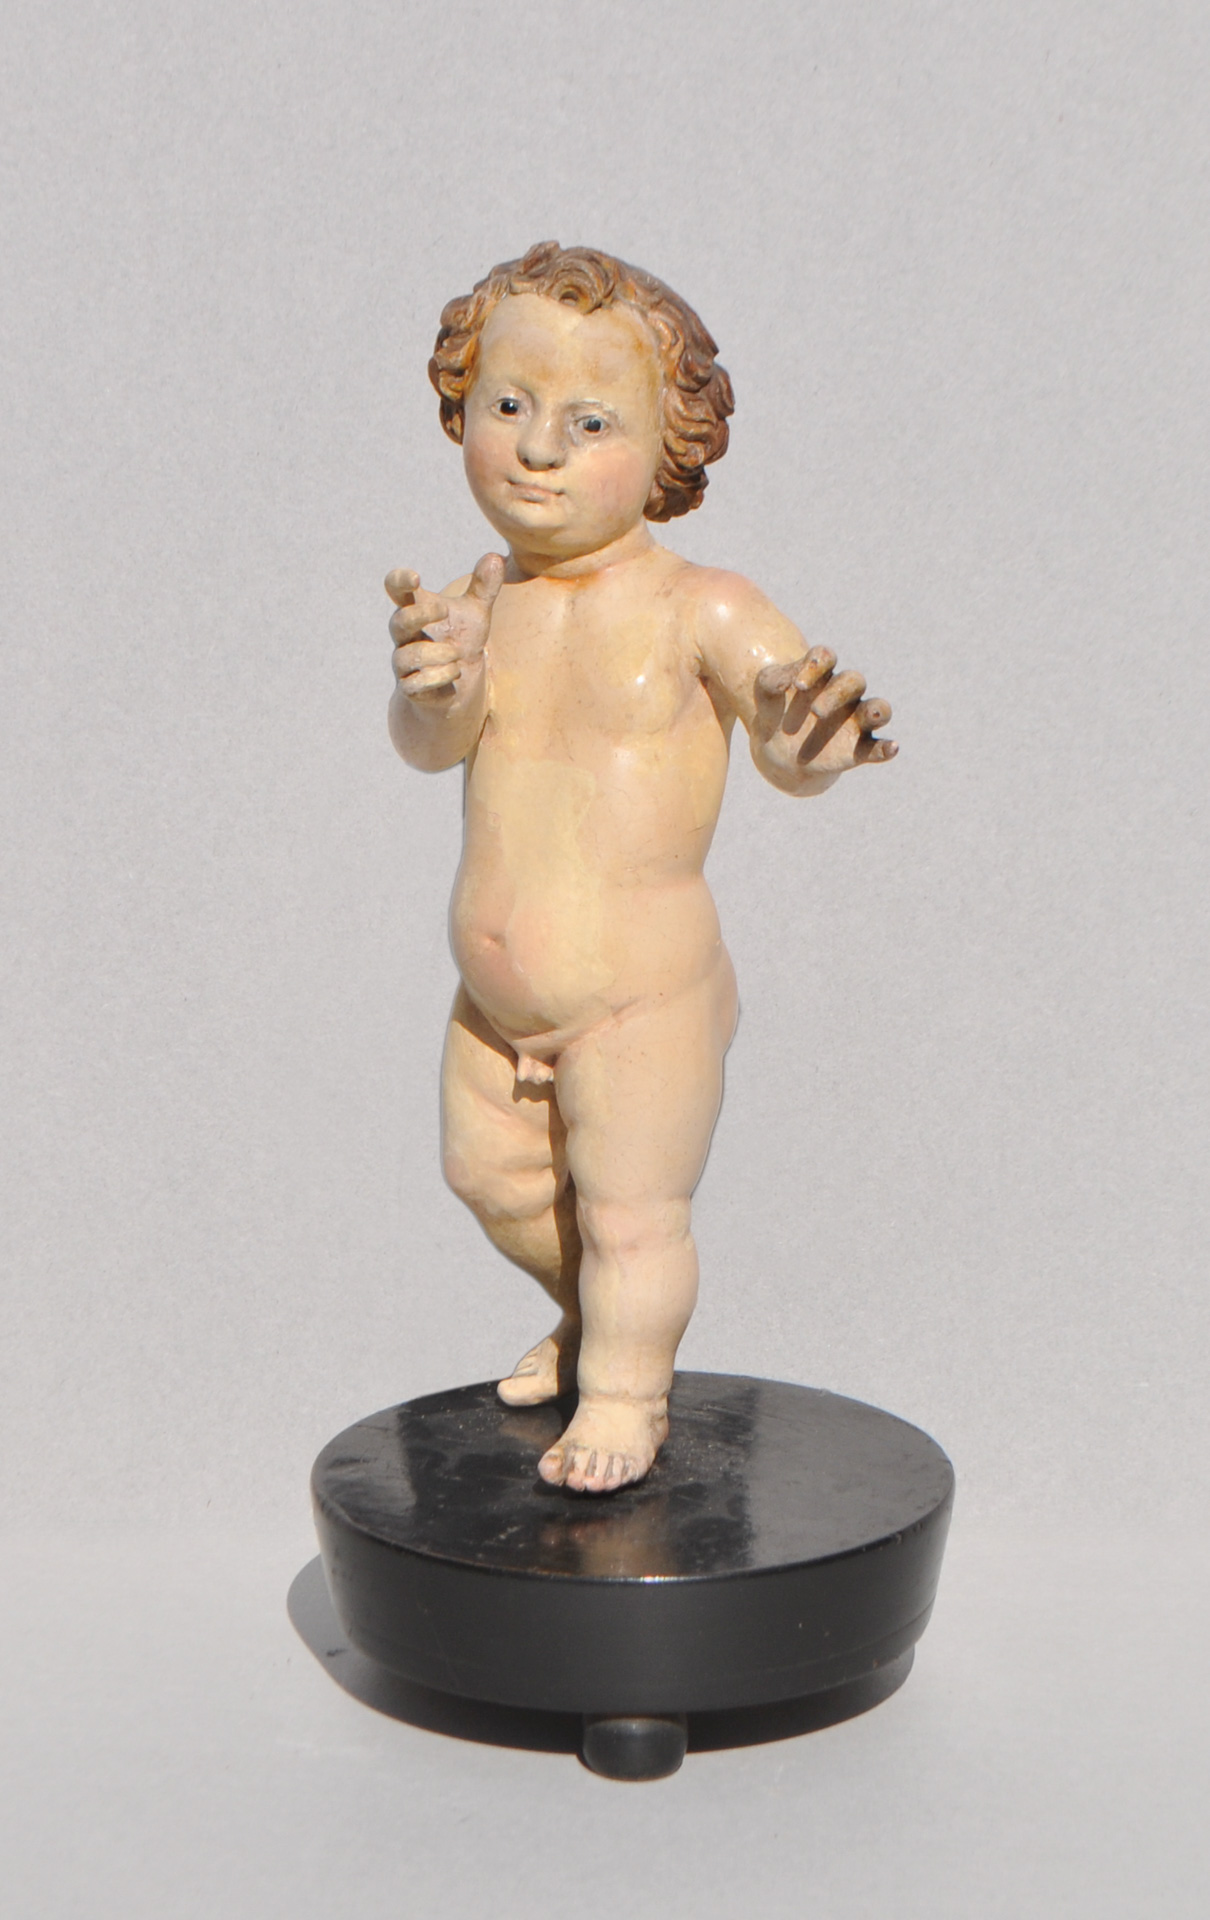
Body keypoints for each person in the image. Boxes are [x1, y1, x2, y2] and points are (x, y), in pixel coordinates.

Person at [386, 242, 895, 1494]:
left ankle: (625, 1391)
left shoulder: (698, 606)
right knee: (490, 1180)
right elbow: (429, 746)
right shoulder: (484, 602)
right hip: (493, 1003)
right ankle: (597, 1322)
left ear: (670, 445)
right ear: (460, 407)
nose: (537, 449)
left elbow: (787, 740)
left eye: (589, 422)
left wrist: (809, 737)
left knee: (629, 1214)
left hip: (640, 997)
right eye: (509, 404)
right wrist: (433, 687)